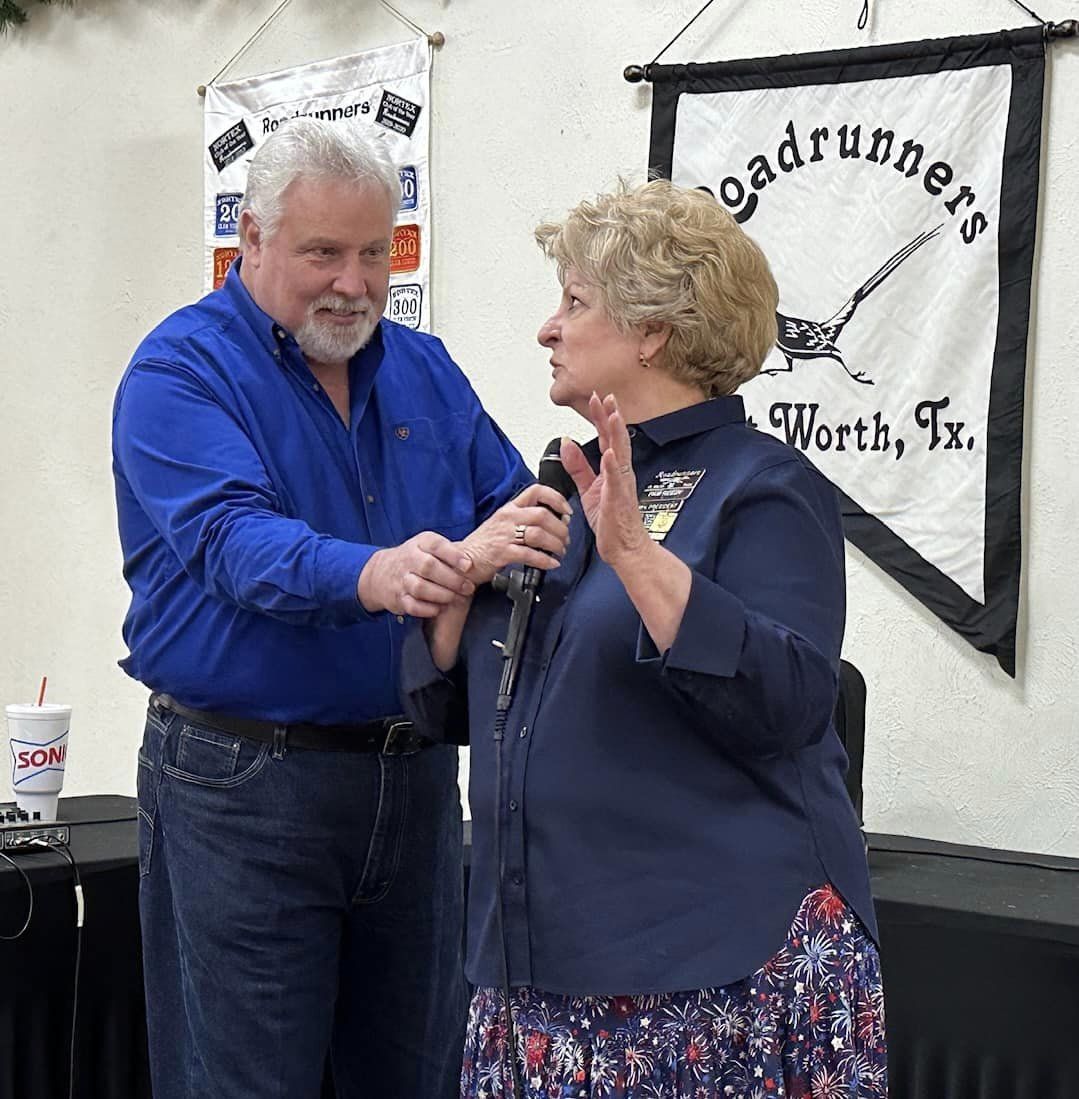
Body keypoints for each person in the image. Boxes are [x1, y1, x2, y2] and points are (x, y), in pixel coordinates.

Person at [112, 118, 569, 1099]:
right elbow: (233, 543)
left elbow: (506, 519)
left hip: (413, 782)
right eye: (324, 253)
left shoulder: (424, 366)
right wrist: (383, 575)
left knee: (420, 1079)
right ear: (251, 239)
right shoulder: (178, 372)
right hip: (242, 787)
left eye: (374, 253)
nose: (354, 284)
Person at [403, 180, 888, 1098]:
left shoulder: (763, 484)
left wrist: (634, 556)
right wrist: (459, 581)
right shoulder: (563, 490)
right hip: (535, 972)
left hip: (713, 972)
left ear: (653, 331)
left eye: (574, 301)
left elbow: (789, 700)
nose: (547, 329)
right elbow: (454, 709)